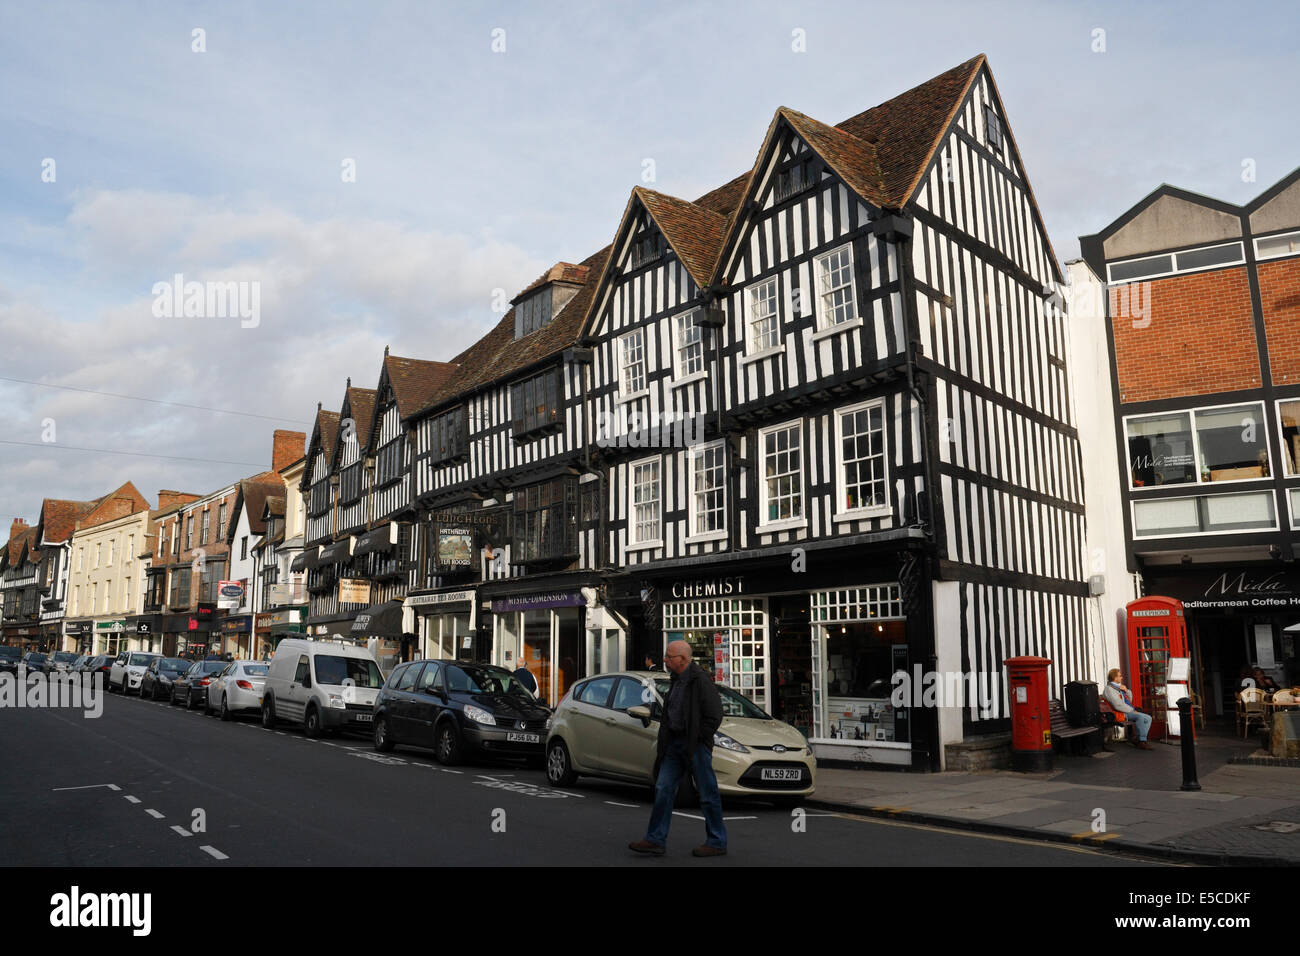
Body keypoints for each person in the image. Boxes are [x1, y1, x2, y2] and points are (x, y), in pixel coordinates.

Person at [629, 640, 727, 858]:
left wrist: (698, 737)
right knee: (663, 788)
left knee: (707, 792)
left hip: (695, 745)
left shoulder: (700, 680)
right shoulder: (676, 679)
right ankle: (655, 839)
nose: (665, 660)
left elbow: (714, 715)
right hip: (674, 744)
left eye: (669, 656)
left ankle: (717, 841)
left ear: (682, 659)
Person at [1103, 668, 1153, 750]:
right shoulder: (1109, 689)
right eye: (1120, 676)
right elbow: (1118, 705)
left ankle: (1139, 739)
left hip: (1127, 711)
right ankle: (1141, 741)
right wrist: (1132, 710)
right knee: (1140, 717)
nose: (1122, 677)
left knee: (1149, 718)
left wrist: (1126, 690)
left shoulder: (1119, 688)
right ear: (1115, 678)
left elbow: (1129, 700)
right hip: (1119, 713)